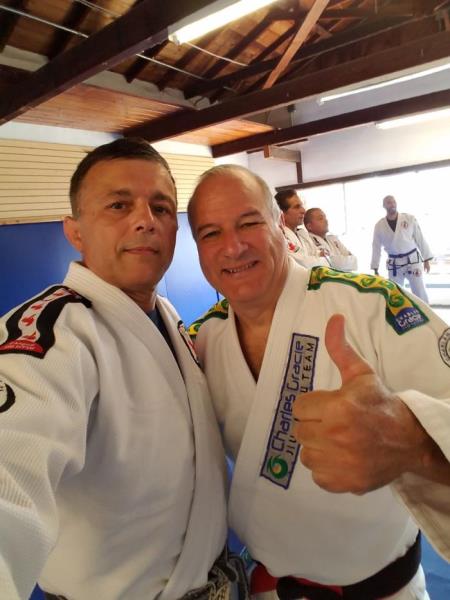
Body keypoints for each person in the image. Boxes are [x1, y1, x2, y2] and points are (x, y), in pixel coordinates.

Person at [187, 164, 450, 600]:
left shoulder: (370, 304)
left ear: (280, 226)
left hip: (384, 591)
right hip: (270, 589)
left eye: (249, 223)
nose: (232, 247)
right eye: (211, 233)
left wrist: (414, 439)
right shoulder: (202, 341)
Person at [0, 138, 232, 600]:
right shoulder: (54, 334)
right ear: (75, 232)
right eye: (118, 205)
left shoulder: (164, 314)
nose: (146, 220)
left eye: (161, 208)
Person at [371, 195, 432, 303]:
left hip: (412, 260)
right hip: (395, 263)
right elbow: (376, 247)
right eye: (389, 202)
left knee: (419, 290)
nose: (392, 204)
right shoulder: (379, 226)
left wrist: (426, 259)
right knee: (395, 293)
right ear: (384, 206)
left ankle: (426, 311)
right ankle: (400, 312)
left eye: (394, 202)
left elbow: (420, 238)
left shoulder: (409, 218)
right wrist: (375, 267)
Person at [274, 190, 327, 268]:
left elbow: (319, 254)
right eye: (297, 207)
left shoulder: (303, 234)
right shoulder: (280, 237)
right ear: (282, 214)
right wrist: (321, 259)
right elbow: (303, 264)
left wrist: (319, 257)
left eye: (301, 206)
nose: (303, 211)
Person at [304, 207, 357, 271]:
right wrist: (344, 260)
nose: (326, 220)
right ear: (309, 226)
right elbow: (329, 263)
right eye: (320, 218)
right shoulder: (307, 241)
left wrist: (334, 260)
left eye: (325, 218)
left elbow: (354, 261)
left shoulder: (333, 239)